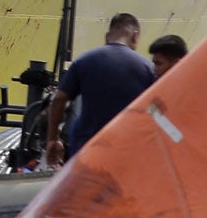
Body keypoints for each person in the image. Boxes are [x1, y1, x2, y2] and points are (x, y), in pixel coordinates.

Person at [45, 13, 153, 165]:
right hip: (128, 154)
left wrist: (53, 139)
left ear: (107, 36)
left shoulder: (83, 61)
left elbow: (58, 99)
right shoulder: (147, 68)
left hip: (87, 151)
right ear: (135, 37)